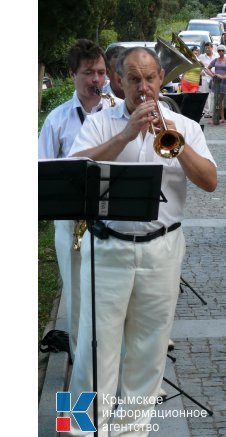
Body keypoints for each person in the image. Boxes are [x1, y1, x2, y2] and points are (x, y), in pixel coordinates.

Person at [64, 47, 217, 437]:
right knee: (95, 346)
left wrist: (176, 142)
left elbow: (209, 181)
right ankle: (76, 432)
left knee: (149, 348)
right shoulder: (100, 122)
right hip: (108, 243)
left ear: (161, 79)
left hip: (163, 245)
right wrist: (126, 135)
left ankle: (133, 435)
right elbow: (74, 169)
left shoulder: (183, 125)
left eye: (150, 78)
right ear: (119, 80)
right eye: (134, 79)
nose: (144, 87)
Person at [38, 39, 111, 357]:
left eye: (101, 72)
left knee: (111, 293)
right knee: (77, 292)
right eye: (88, 73)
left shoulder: (117, 113)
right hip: (71, 220)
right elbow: (40, 170)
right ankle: (82, 358)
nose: (96, 80)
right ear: (72, 75)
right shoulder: (57, 119)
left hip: (112, 215)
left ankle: (109, 356)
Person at [208, 44, 226, 125]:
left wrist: (223, 77)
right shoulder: (215, 60)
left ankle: (217, 117)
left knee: (219, 100)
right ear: (217, 51)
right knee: (217, 100)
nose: (221, 52)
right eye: (219, 50)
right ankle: (220, 118)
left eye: (222, 50)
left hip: (223, 82)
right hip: (216, 82)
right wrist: (213, 75)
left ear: (224, 51)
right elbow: (208, 68)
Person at [198, 42, 216, 118]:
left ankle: (212, 112)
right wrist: (200, 72)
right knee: (205, 94)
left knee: (213, 95)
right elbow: (199, 66)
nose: (207, 50)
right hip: (205, 78)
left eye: (208, 48)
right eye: (205, 49)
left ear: (212, 48)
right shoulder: (201, 57)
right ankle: (206, 112)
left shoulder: (216, 56)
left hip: (214, 78)